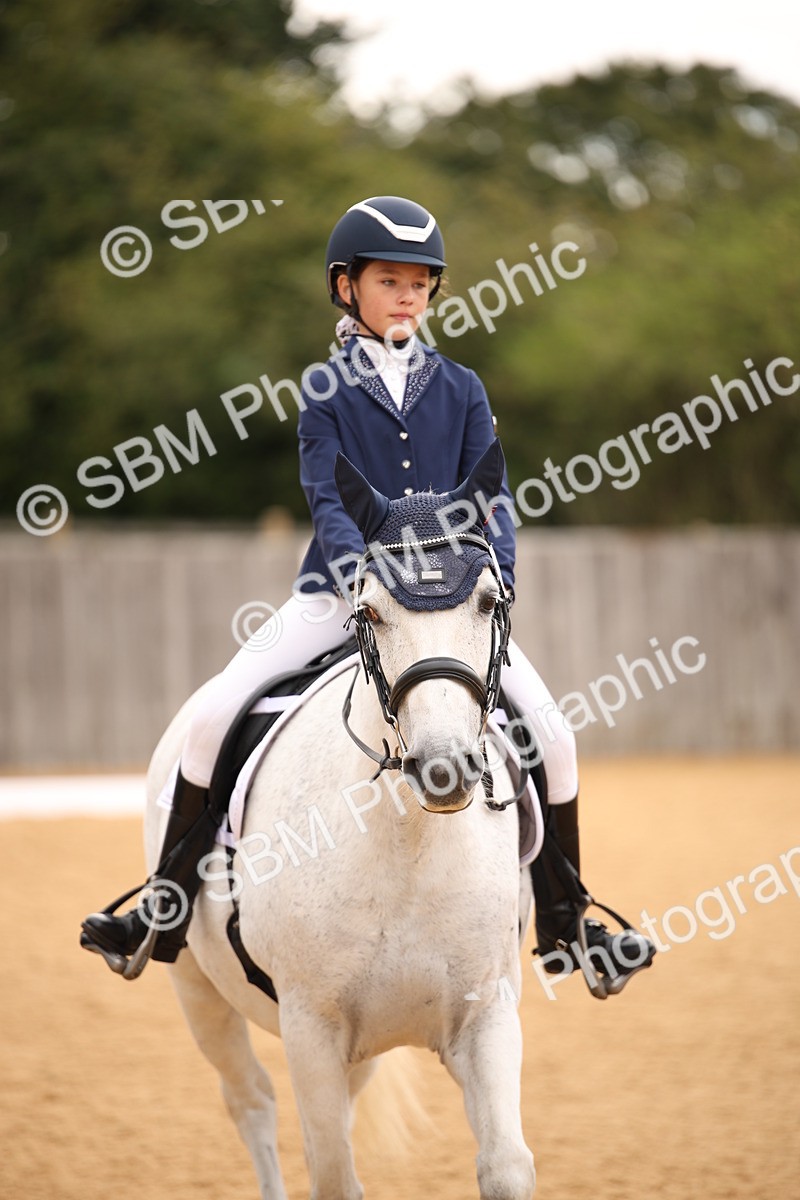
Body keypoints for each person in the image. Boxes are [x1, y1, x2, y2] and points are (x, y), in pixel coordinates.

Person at [81, 196, 655, 993]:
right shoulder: (326, 389)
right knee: (213, 716)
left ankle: (567, 924)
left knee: (553, 735)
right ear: (347, 287)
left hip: (450, 603)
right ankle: (165, 908)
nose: (408, 295)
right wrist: (359, 580)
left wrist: (501, 577)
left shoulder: (461, 386)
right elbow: (326, 494)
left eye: (421, 282)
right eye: (391, 280)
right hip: (339, 595)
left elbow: (496, 498)